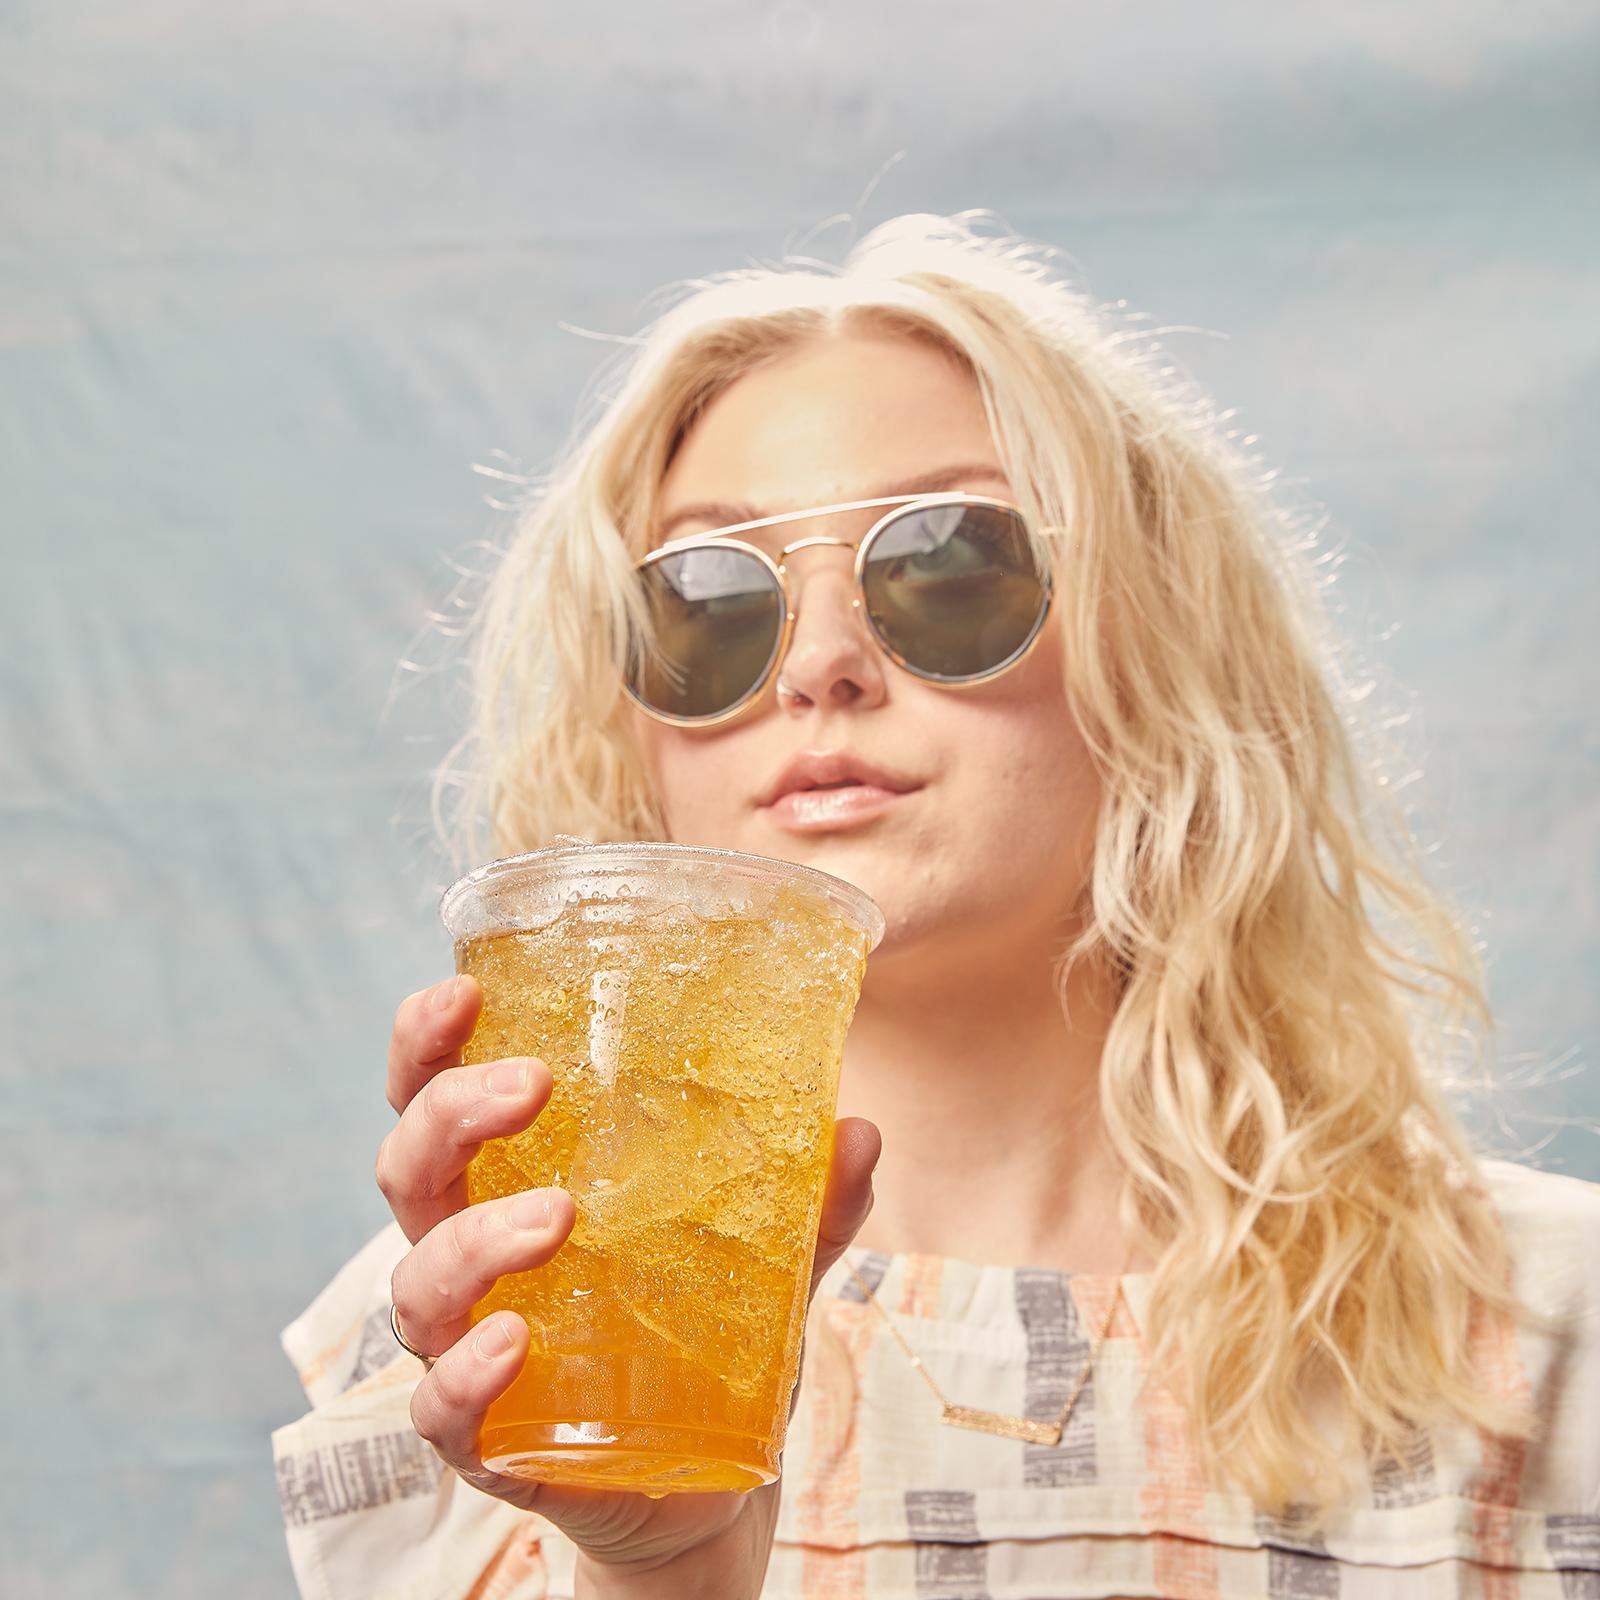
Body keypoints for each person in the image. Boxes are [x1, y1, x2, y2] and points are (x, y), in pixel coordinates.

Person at [273, 214, 1600, 1599]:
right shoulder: (481, 1346)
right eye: (709, 602)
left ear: (1162, 649)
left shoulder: (1558, 1328)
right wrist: (657, 1576)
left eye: (950, 566)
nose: (821, 668)